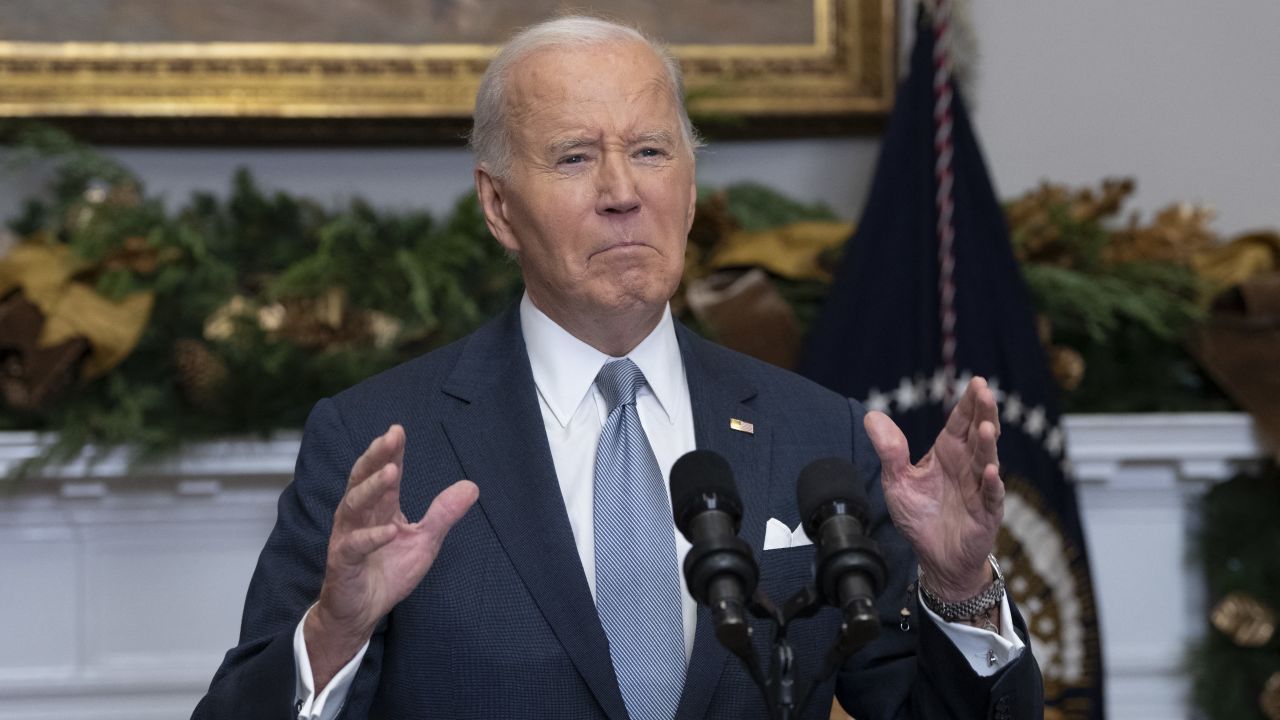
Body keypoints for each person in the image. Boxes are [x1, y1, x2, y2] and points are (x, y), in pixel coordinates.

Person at [193, 15, 1042, 720]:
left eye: (650, 152)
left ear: (692, 185)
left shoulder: (818, 435)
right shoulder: (380, 444)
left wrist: (961, 588)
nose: (621, 191)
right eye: (573, 157)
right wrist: (332, 634)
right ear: (498, 205)